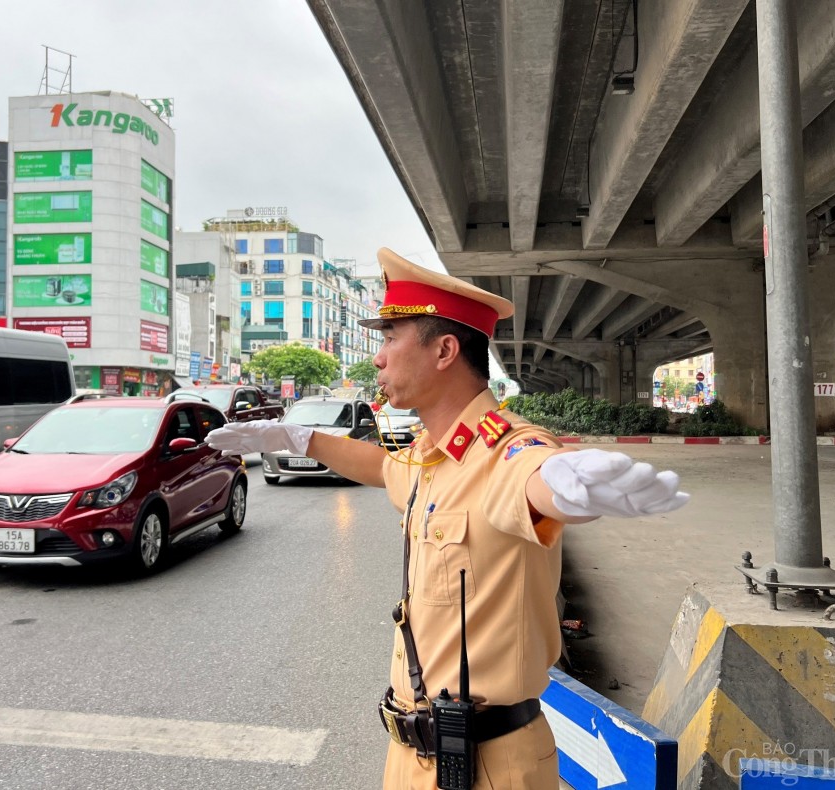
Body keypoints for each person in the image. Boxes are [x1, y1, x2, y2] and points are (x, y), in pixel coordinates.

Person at [205, 248, 689, 790]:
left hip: (488, 765)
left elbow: (529, 477)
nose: (379, 358)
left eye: (391, 338)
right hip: (413, 756)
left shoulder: (507, 449)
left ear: (444, 350)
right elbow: (385, 468)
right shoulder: (430, 455)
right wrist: (300, 439)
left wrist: (564, 485)